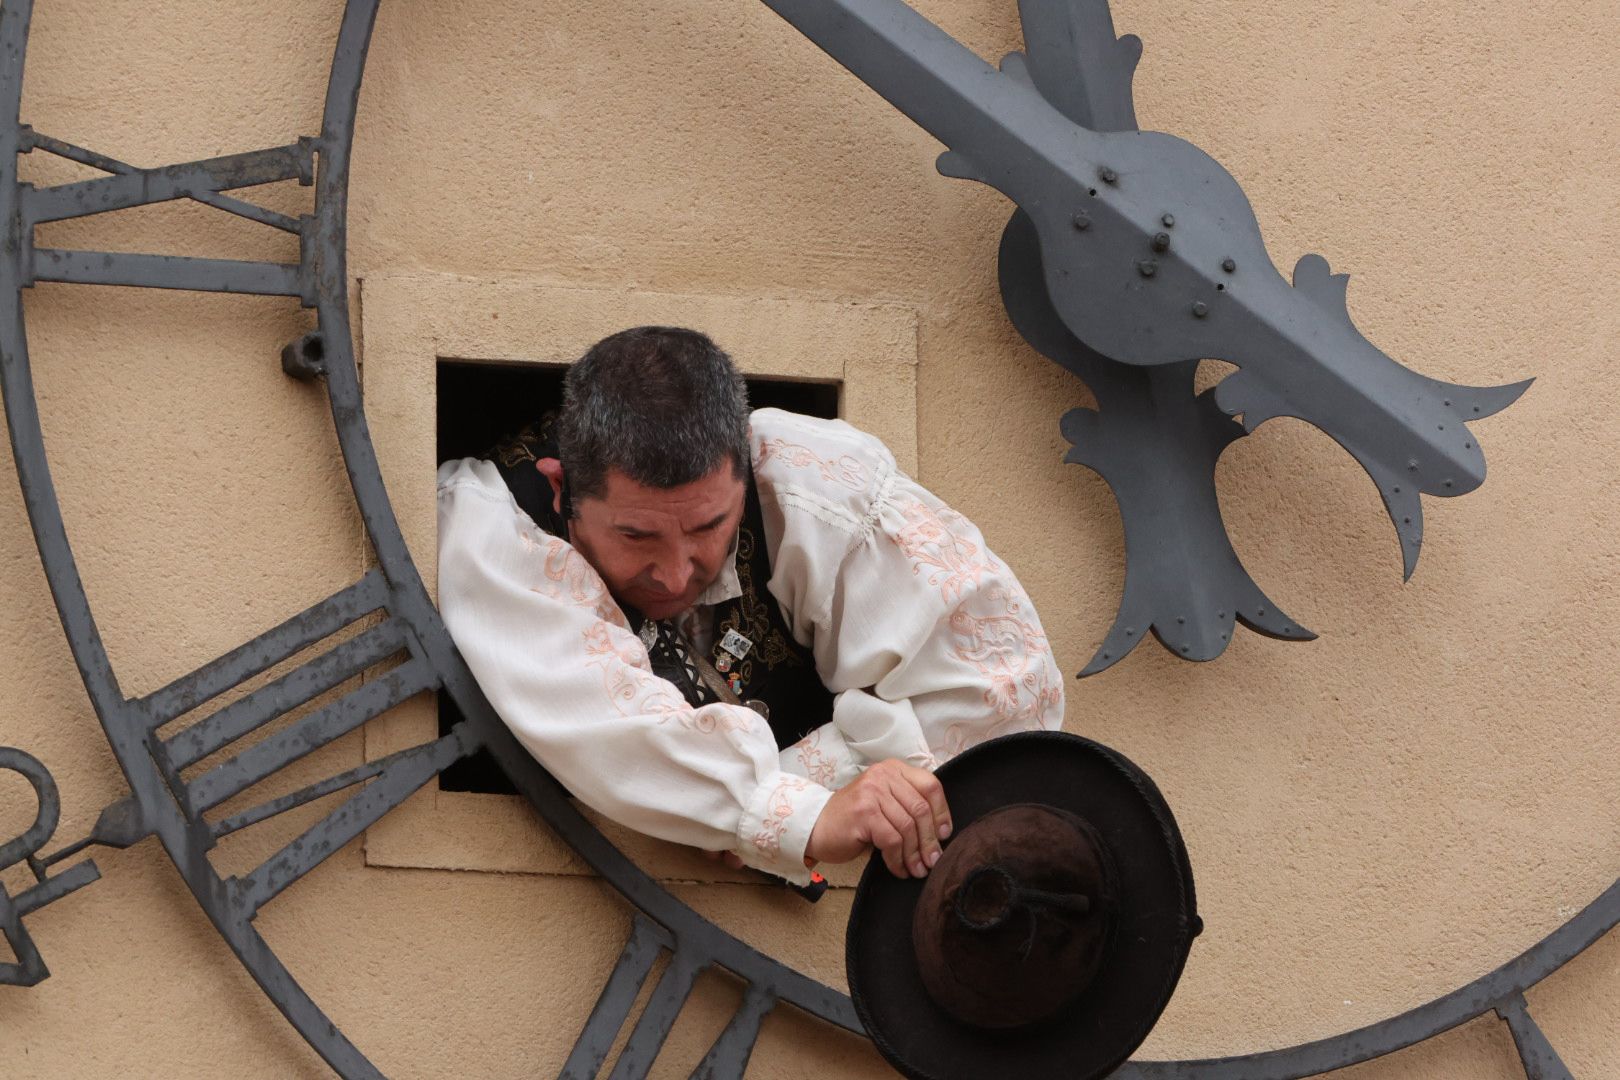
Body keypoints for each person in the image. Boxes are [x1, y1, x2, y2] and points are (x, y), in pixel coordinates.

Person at [436, 326, 1064, 886]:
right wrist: (802, 812)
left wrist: (820, 779)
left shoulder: (805, 477)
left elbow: (1007, 693)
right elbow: (599, 720)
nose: (677, 572)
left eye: (710, 527)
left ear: (747, 471)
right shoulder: (495, 522)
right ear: (558, 484)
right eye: (637, 537)